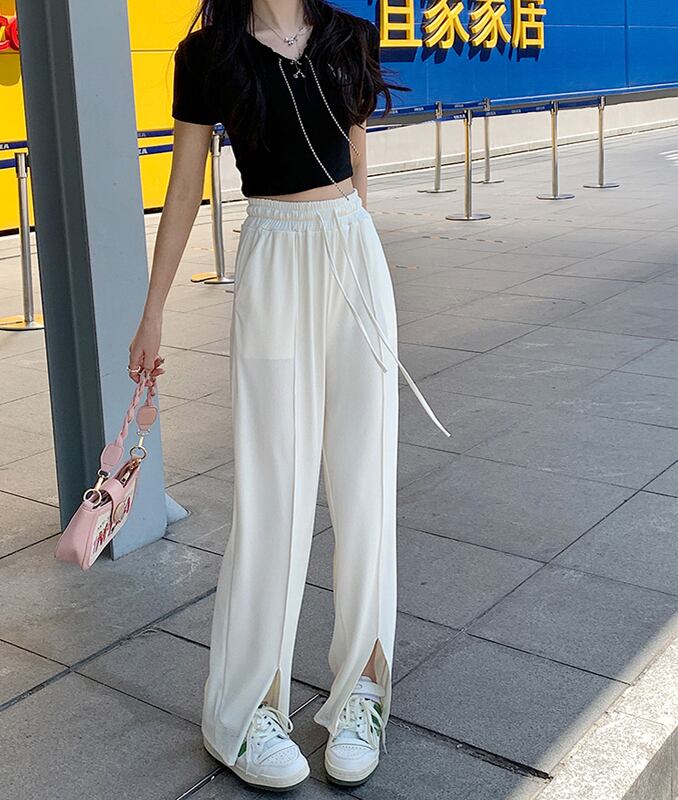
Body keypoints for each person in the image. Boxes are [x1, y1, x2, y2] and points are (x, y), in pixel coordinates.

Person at [128, 0, 451, 792]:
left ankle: (363, 688)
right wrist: (154, 312)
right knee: (272, 492)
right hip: (273, 257)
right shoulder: (209, 56)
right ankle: (241, 713)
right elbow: (183, 189)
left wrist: (361, 256)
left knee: (365, 487)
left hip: (350, 254)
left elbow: (356, 166)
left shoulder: (348, 37)